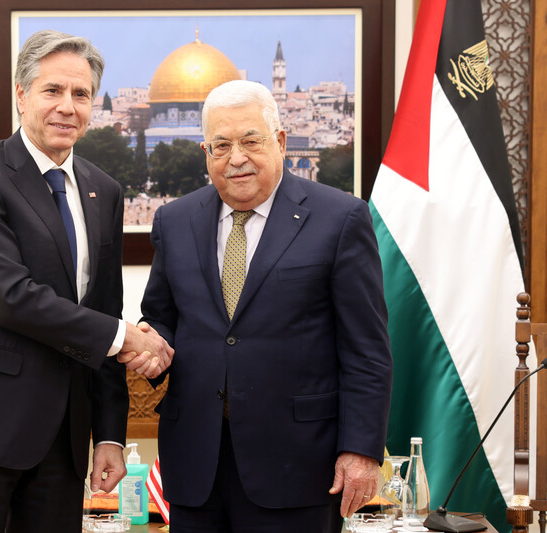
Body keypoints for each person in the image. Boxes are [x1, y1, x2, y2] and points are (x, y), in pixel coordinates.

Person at [0, 30, 172, 533]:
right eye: (52, 90)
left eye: (81, 95)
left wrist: (111, 435)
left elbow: (101, 305)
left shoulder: (105, 189)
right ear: (21, 94)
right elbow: (10, 299)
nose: (67, 107)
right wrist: (127, 337)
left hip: (64, 436)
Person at [126, 80, 393, 532]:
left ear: (281, 142)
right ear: (206, 152)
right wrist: (153, 344)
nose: (237, 158)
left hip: (299, 465)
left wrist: (361, 450)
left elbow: (366, 350)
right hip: (195, 463)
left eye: (251, 140)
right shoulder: (174, 221)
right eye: (221, 145)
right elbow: (163, 318)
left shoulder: (341, 218)